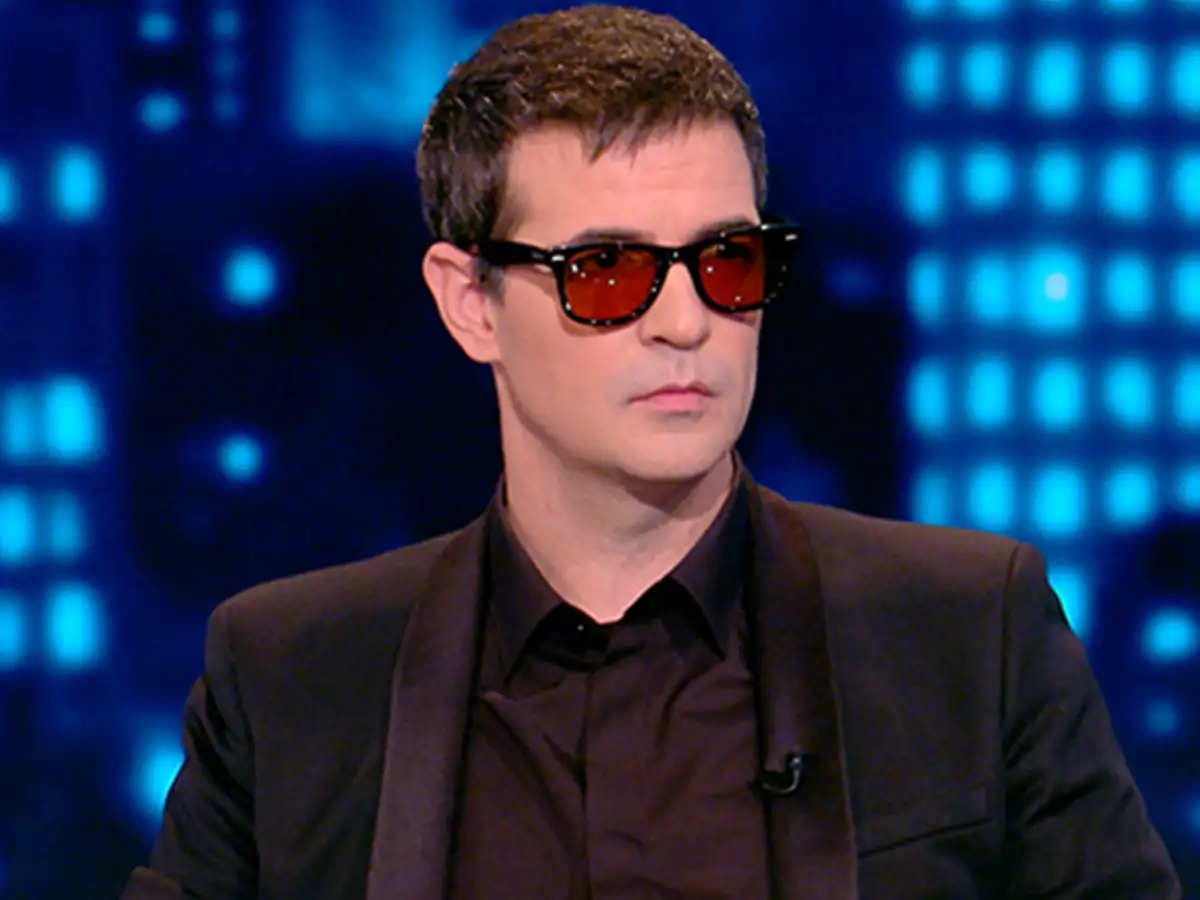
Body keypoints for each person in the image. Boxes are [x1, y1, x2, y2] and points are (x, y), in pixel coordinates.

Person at [121, 5, 1182, 899]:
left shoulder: (968, 635)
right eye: (607, 272)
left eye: (728, 261)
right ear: (470, 303)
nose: (686, 323)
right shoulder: (292, 677)